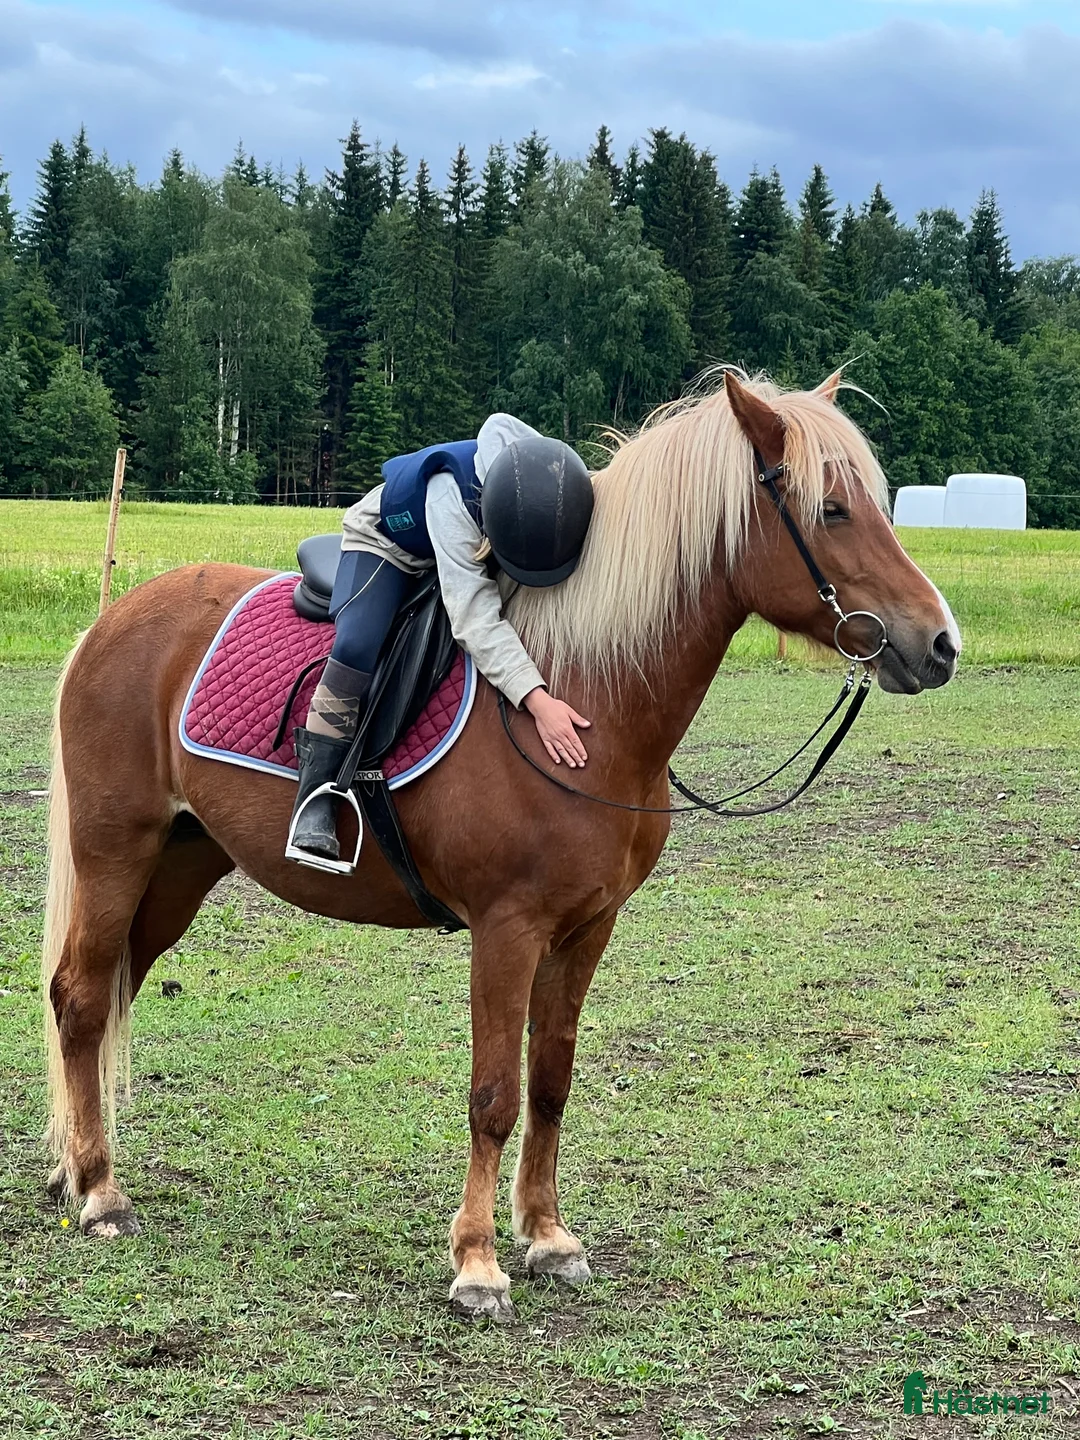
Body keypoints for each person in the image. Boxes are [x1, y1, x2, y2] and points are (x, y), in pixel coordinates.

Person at [287, 414, 595, 866]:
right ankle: (315, 799)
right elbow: (471, 614)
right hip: (388, 547)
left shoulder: (558, 476)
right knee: (357, 644)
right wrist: (536, 700)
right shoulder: (451, 497)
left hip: (491, 544)